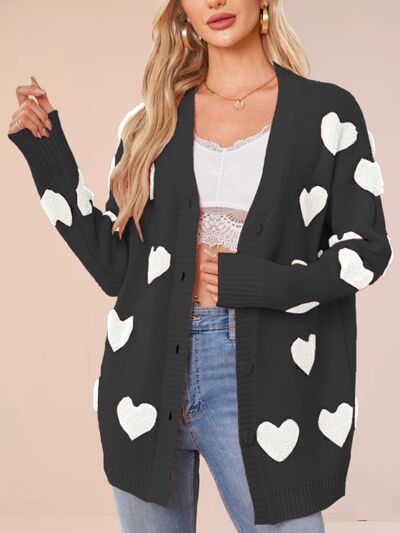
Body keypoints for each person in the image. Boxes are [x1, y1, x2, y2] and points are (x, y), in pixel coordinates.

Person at [7, 1, 392, 532]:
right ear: (182, 10)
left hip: (264, 372)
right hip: (144, 374)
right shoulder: (151, 121)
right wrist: (47, 154)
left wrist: (262, 282)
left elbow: (367, 250)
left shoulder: (328, 114)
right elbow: (118, 270)